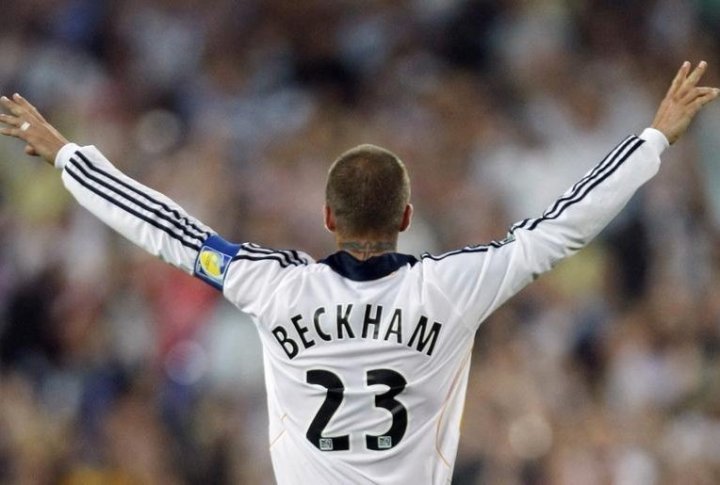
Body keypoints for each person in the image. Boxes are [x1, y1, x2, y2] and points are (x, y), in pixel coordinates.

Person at [0, 61, 717, 484]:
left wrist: (70, 156)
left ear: (326, 217)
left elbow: (170, 232)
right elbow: (562, 226)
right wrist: (654, 136)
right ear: (407, 217)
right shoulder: (453, 286)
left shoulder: (271, 284)